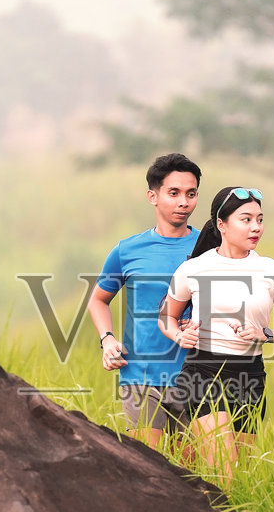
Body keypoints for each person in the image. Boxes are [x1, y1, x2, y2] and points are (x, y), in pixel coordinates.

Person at [159, 186, 274, 488]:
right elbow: (166, 317)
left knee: (239, 482)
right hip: (203, 371)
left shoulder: (272, 270)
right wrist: (178, 336)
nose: (256, 227)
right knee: (225, 471)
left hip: (250, 376)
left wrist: (267, 333)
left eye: (260, 220)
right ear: (221, 225)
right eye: (246, 219)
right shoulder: (194, 268)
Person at [86, 153, 201, 448]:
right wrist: (108, 340)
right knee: (148, 467)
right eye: (173, 193)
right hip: (140, 373)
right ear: (153, 196)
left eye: (191, 194)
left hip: (197, 374)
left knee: (193, 472)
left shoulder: (210, 249)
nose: (183, 202)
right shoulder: (128, 251)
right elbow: (98, 300)